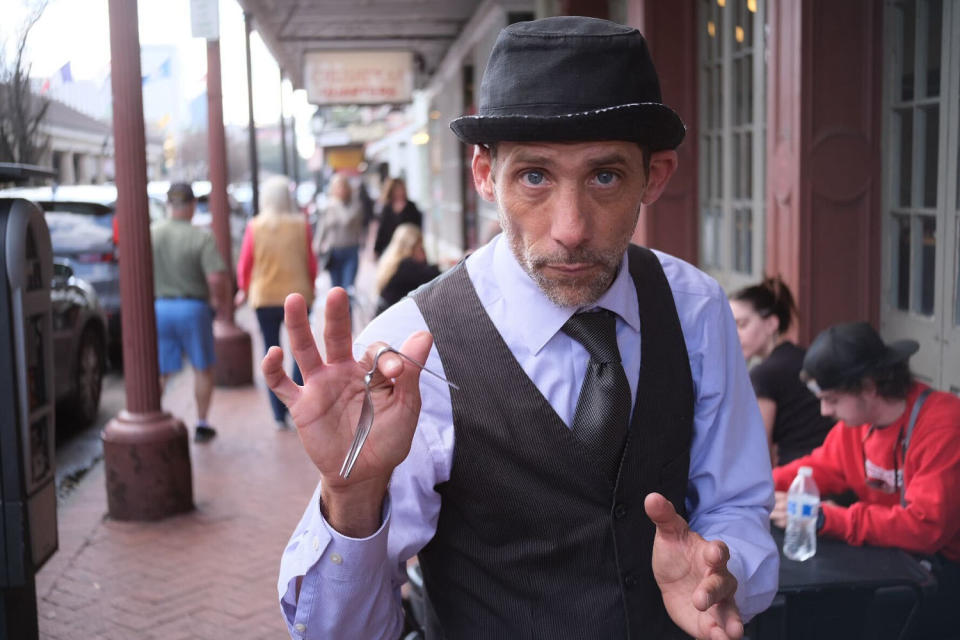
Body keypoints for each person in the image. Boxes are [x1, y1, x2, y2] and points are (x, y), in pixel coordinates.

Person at [268, 16, 777, 640]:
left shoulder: (694, 307)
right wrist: (351, 498)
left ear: (656, 176)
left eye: (605, 176)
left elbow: (735, 503)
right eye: (534, 176)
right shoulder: (409, 347)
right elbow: (337, 633)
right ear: (485, 176)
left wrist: (725, 573)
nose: (570, 228)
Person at [770, 321, 960, 637]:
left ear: (869, 386)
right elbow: (817, 468)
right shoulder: (856, 427)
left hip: (948, 571)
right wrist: (752, 488)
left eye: (831, 398)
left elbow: (926, 528)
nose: (824, 410)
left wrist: (825, 519)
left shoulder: (943, 425)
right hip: (903, 562)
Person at [236, 175, 317, 430]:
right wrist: (311, 284)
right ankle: (295, 404)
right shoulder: (300, 224)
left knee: (270, 353)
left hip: (265, 296)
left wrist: (243, 288)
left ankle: (277, 412)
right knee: (299, 351)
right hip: (298, 295)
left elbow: (245, 263)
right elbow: (311, 262)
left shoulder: (255, 226)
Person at [151, 182, 228, 443]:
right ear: (193, 205)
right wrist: (218, 301)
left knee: (161, 370)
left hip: (160, 308)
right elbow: (216, 278)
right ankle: (202, 423)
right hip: (194, 309)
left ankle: (154, 417)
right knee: (202, 367)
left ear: (168, 205)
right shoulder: (201, 237)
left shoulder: (152, 234)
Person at [730, 277, 835, 465]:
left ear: (771, 324)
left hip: (798, 477)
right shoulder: (802, 356)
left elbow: (759, 450)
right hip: (829, 468)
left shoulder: (764, 374)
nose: (734, 334)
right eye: (730, 326)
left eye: (742, 324)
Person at [374, 223, 441, 315]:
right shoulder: (406, 265)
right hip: (396, 320)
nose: (423, 251)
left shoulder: (392, 262)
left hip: (386, 315)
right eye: (421, 248)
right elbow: (435, 277)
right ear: (411, 247)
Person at [313, 173, 364, 291]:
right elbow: (322, 228)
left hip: (350, 250)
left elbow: (345, 220)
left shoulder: (355, 205)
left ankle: (348, 310)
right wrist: (317, 248)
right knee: (335, 290)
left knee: (348, 288)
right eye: (337, 187)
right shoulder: (328, 207)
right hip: (333, 252)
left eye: (343, 187)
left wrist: (337, 204)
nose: (340, 190)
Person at [372, 176, 422, 258]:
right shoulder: (387, 208)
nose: (399, 192)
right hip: (390, 249)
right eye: (396, 189)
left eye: (401, 188)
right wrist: (376, 249)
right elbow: (382, 230)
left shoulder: (411, 207)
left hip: (409, 248)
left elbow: (417, 227)